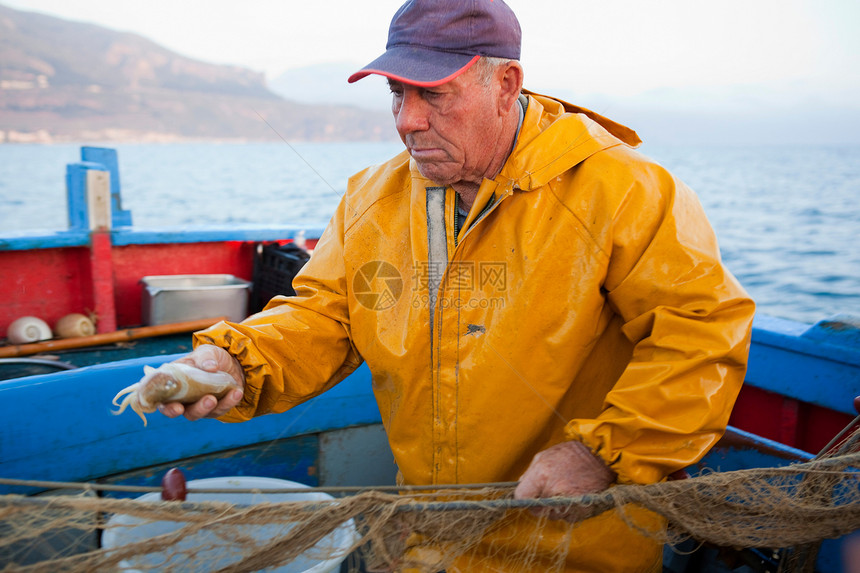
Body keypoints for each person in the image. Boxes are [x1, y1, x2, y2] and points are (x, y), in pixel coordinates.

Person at [160, 0, 756, 570]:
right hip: (429, 538)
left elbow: (700, 329)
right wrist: (241, 360)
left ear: (506, 85)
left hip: (575, 547)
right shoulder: (372, 197)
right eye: (397, 93)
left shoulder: (622, 189)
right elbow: (330, 314)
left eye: (435, 95)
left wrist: (603, 451)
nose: (407, 121)